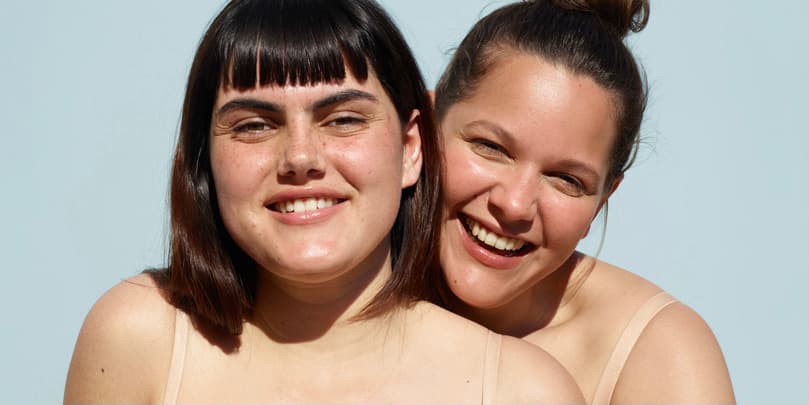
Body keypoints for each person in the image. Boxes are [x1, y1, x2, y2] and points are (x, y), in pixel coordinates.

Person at [63, 0, 584, 403]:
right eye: (254, 125)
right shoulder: (138, 338)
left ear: (410, 149)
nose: (300, 157)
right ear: (204, 160)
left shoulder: (524, 390)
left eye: (343, 119)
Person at [432, 0, 736, 404]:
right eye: (491, 148)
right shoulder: (330, 285)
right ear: (422, 128)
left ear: (603, 199)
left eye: (565, 180)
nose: (516, 204)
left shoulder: (655, 353)